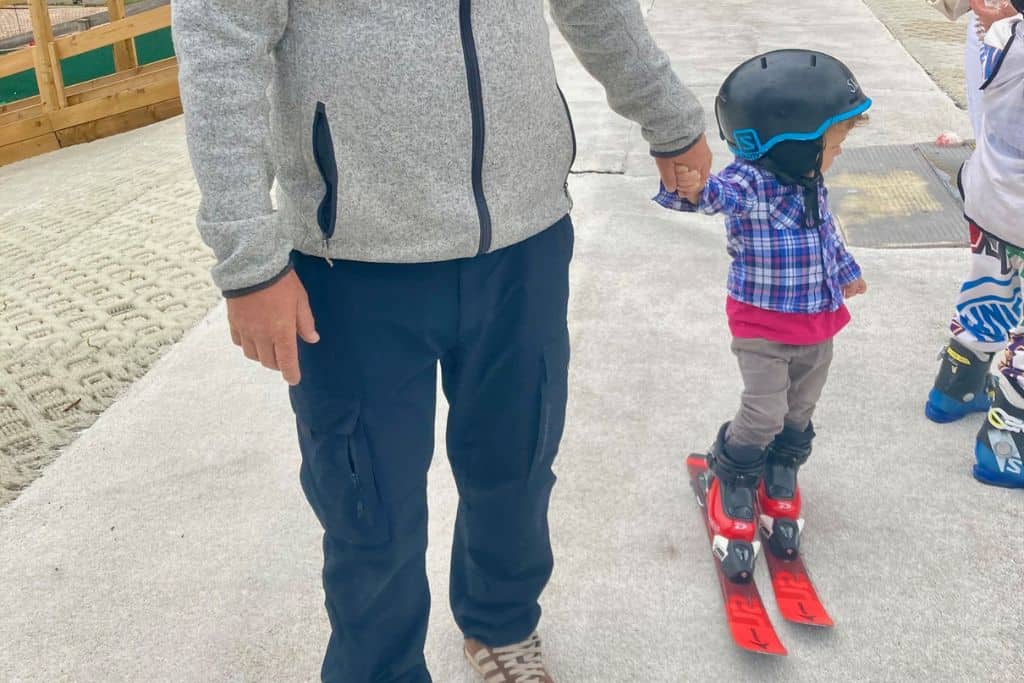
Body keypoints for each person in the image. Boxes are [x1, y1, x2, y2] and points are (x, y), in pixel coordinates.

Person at [170, 1, 710, 681]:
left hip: (523, 238)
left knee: (517, 462)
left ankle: (502, 624)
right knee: (369, 506)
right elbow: (221, 44)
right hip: (352, 261)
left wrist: (668, 115)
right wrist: (249, 261)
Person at [653, 51, 870, 581]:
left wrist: (846, 271)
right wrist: (691, 183)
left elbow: (825, 235)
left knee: (800, 409)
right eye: (832, 146)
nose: (835, 156)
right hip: (763, 325)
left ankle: (780, 467)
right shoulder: (753, 184)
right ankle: (731, 472)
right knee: (765, 412)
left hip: (818, 320)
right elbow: (713, 196)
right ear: (790, 146)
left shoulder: (809, 183)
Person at [924, 2, 1024, 489]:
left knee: (994, 276)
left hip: (991, 193)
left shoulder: (1000, 39)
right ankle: (1009, 439)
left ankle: (959, 378)